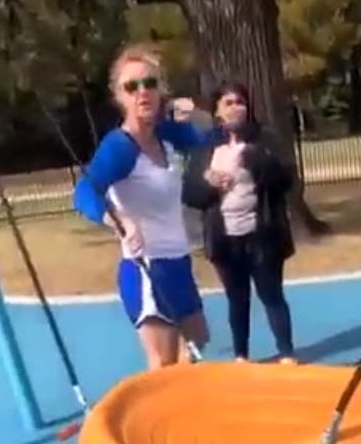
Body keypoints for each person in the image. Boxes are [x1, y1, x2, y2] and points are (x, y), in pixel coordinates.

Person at [72, 42, 210, 370]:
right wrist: (120, 219)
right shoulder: (120, 146)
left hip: (178, 263)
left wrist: (195, 111)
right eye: (131, 87)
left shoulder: (166, 134)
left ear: (161, 90)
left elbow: (211, 134)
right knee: (163, 364)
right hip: (147, 267)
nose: (142, 92)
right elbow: (84, 193)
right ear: (119, 97)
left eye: (149, 83)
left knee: (197, 344)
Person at [182, 81, 297, 364]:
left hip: (262, 234)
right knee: (237, 299)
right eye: (229, 103)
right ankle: (241, 356)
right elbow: (190, 194)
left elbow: (286, 179)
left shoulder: (264, 139)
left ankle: (286, 353)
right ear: (218, 111)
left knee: (271, 294)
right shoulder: (206, 147)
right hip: (224, 238)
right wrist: (208, 182)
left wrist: (256, 160)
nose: (236, 108)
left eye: (240, 102)